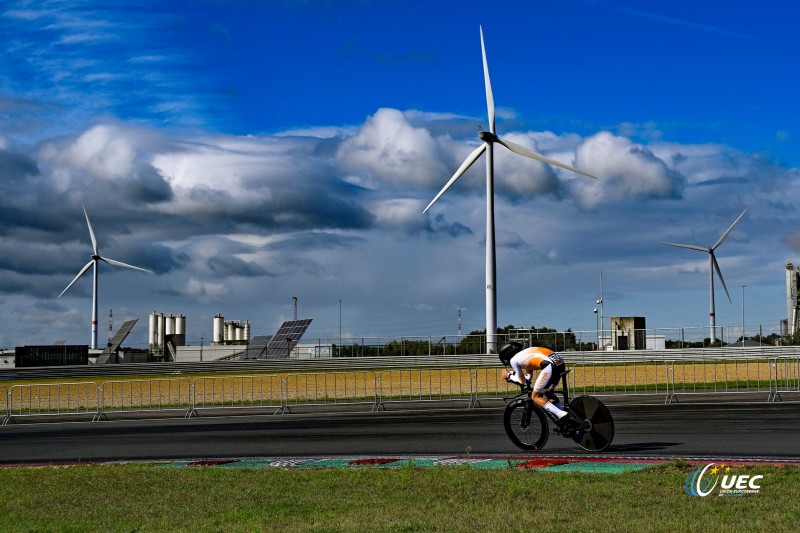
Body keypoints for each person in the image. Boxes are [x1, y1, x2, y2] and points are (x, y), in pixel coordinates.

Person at [498, 341, 577, 428]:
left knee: (535, 396)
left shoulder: (513, 360)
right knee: (548, 392)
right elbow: (528, 377)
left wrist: (508, 375)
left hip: (549, 365)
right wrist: (512, 374)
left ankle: (562, 414)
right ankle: (564, 418)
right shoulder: (524, 354)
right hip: (559, 363)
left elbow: (522, 382)